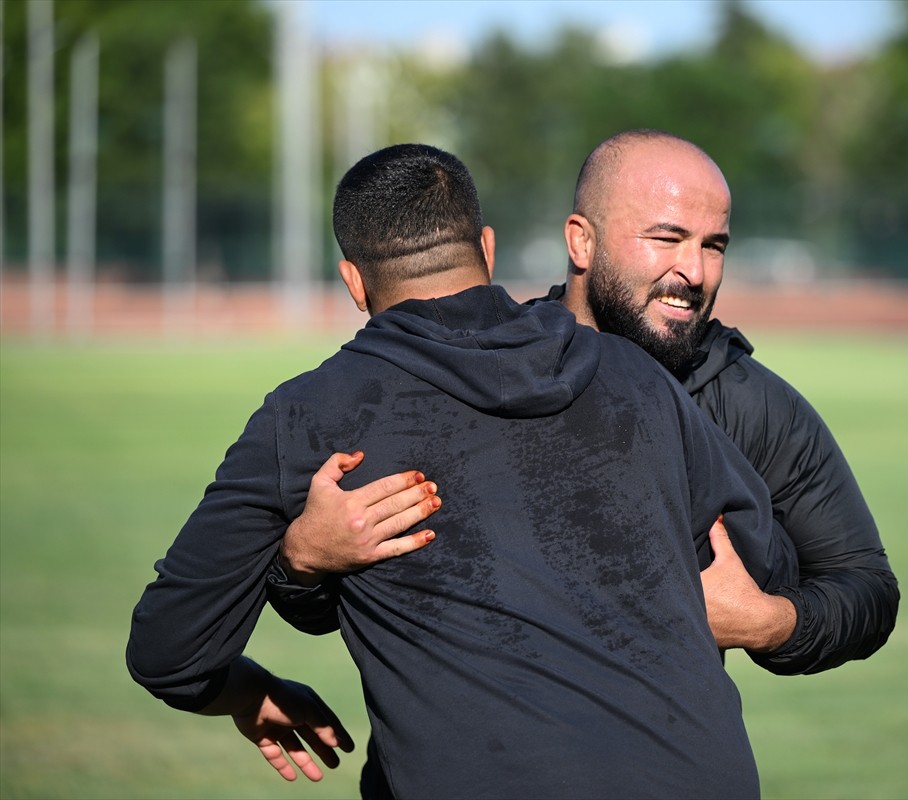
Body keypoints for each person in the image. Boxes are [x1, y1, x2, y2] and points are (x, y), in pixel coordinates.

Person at [127, 143, 798, 799]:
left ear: (353, 283)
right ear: (487, 247)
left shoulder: (312, 416)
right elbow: (758, 560)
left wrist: (284, 593)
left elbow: (169, 652)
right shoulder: (636, 376)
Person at [275, 129, 899, 675]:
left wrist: (766, 623)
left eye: (714, 245)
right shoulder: (470, 373)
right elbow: (356, 596)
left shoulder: (747, 401)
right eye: (667, 237)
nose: (696, 270)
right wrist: (301, 564)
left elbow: (866, 588)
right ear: (581, 242)